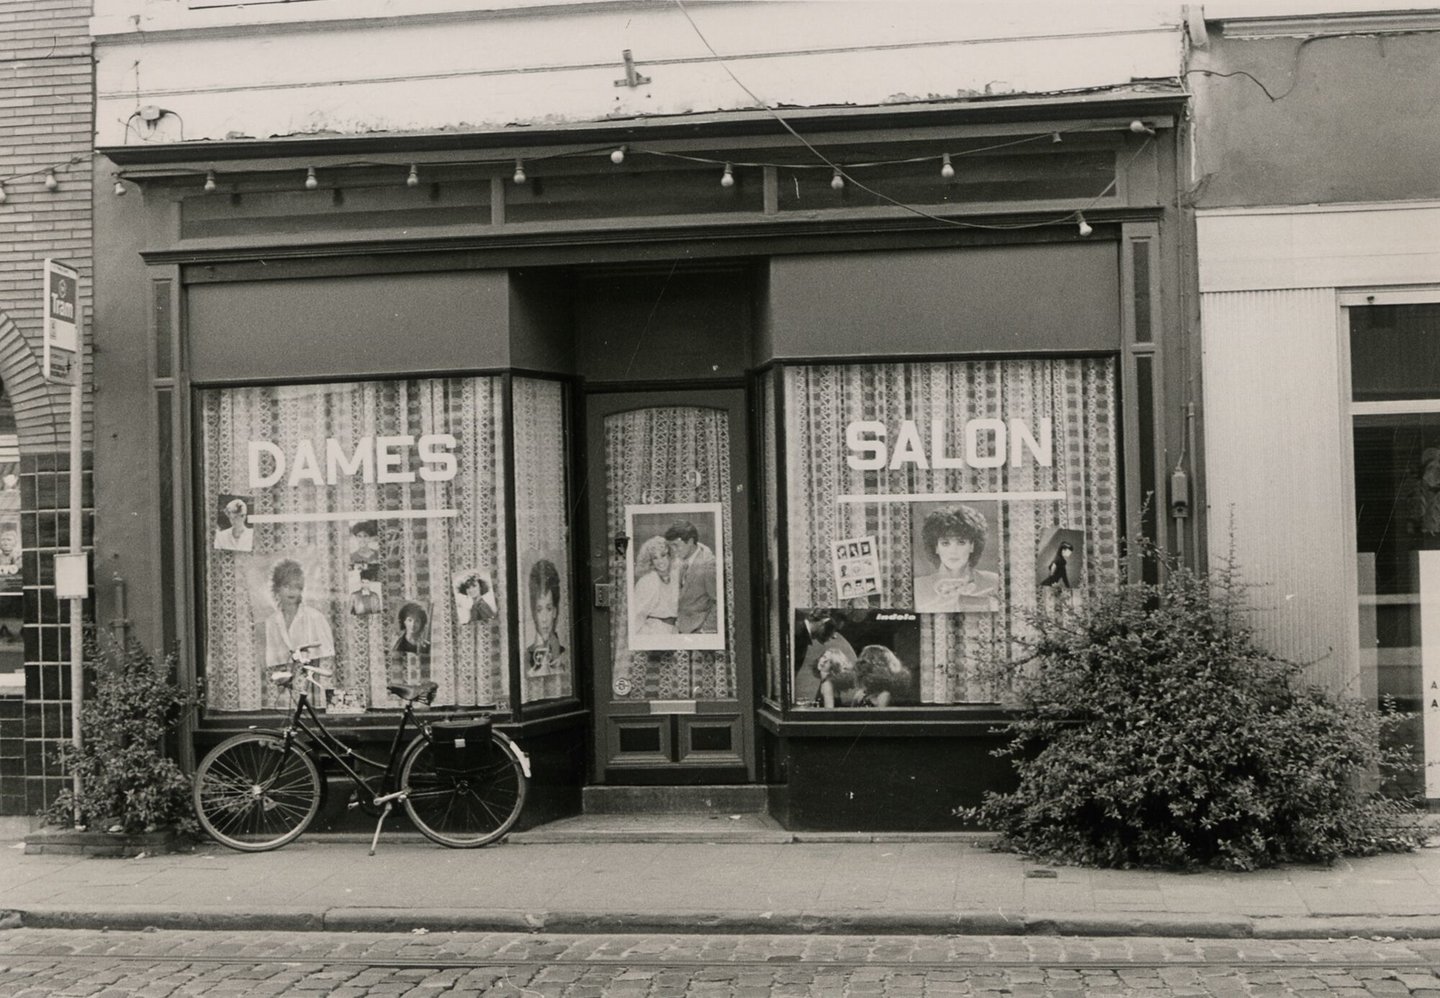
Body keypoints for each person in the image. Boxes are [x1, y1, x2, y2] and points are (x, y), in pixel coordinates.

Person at [913, 505, 999, 613]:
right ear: (936, 548)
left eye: (961, 542)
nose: (953, 551)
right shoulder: (917, 587)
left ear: (972, 546)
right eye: (945, 543)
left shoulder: (994, 582)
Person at [263, 559, 334, 671]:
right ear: (277, 589)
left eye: (296, 587)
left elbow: (327, 659)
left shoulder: (315, 617)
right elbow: (271, 660)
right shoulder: (271, 622)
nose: (292, 591)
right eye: (286, 586)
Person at [795, 609, 856, 706]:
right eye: (835, 629)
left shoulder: (800, 635)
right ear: (824, 621)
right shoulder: (797, 635)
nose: (834, 636)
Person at [666, 520, 717, 634]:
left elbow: (718, 602)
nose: (674, 551)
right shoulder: (678, 560)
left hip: (697, 633)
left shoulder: (708, 566)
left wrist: (705, 631)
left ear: (690, 541)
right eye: (671, 546)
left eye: (676, 545)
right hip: (678, 629)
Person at [526, 559, 568, 674]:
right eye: (539, 610)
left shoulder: (566, 656)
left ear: (555, 611)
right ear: (534, 613)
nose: (544, 619)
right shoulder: (526, 657)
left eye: (548, 609)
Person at [630, 535, 678, 635]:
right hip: (654, 631)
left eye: (663, 555)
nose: (660, 561)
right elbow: (637, 613)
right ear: (650, 561)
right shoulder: (648, 581)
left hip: (674, 630)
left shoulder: (675, 577)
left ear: (669, 555)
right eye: (655, 558)